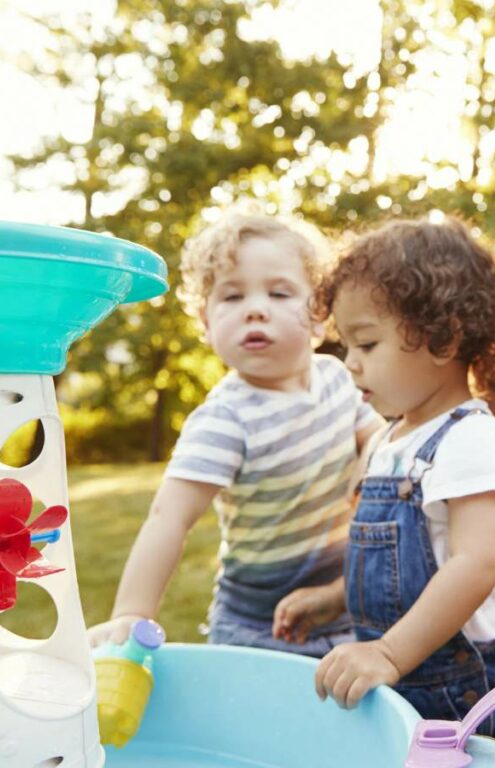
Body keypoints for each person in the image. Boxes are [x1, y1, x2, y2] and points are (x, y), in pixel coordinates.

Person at [87, 212, 383, 657]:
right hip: (256, 627)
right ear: (206, 324)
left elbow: (381, 438)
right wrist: (133, 609)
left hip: (347, 610)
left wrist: (369, 469)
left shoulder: (339, 380)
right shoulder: (226, 418)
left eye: (280, 292)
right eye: (232, 296)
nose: (255, 308)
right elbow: (169, 517)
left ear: (320, 318)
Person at [310, 215, 495, 751]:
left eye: (366, 344)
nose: (349, 363)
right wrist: (333, 600)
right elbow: (396, 574)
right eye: (346, 345)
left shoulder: (471, 438)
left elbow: (475, 563)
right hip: (393, 684)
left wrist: (389, 652)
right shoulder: (388, 440)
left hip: (460, 699)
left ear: (443, 338)